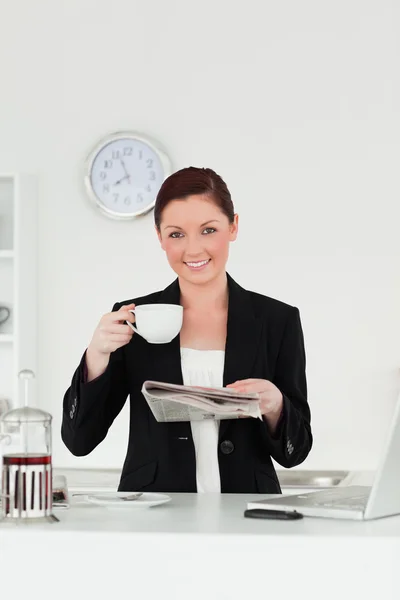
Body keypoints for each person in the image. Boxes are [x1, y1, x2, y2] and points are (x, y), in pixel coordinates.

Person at [61, 167, 312, 493]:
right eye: (176, 234)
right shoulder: (134, 319)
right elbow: (79, 441)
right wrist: (96, 356)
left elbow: (297, 452)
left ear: (233, 226)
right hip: (155, 515)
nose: (193, 250)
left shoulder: (277, 320)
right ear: (160, 237)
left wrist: (276, 405)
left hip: (248, 514)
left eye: (208, 230)